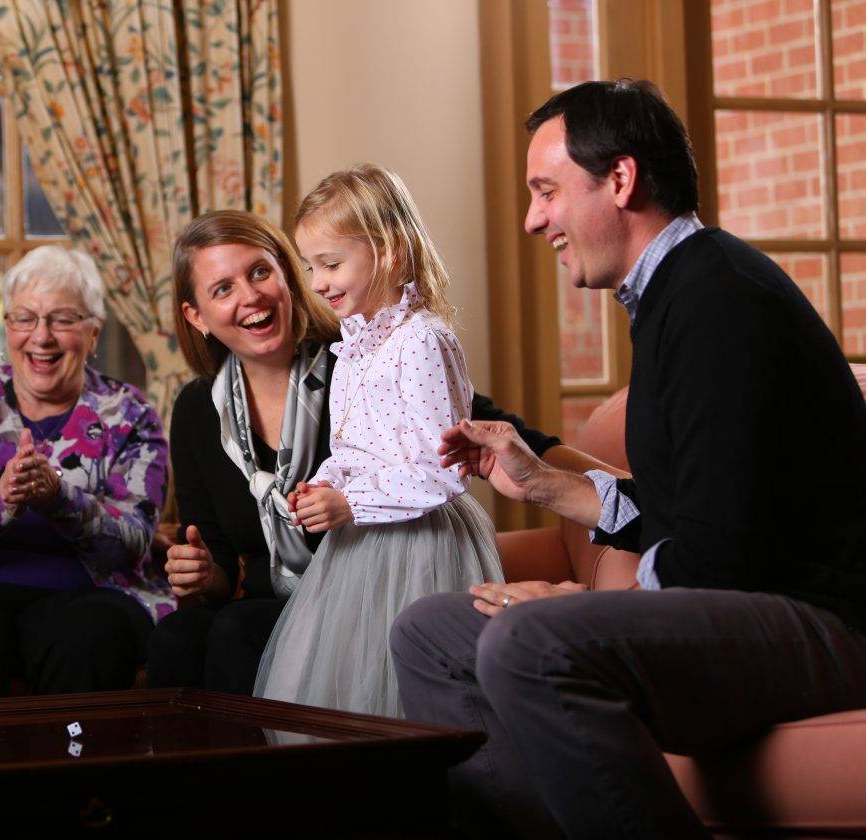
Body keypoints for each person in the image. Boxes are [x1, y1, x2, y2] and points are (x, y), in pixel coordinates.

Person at [391, 79, 866, 838]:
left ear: (620, 179)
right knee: (431, 634)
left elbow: (722, 555)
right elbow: (699, 505)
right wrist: (548, 485)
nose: (532, 218)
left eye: (546, 191)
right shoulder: (677, 294)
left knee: (527, 642)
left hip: (827, 624)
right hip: (751, 600)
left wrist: (583, 608)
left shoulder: (720, 299)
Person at [150, 209, 608, 697]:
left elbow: (495, 434)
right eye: (223, 289)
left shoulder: (358, 354)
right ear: (195, 316)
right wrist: (200, 574)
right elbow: (220, 571)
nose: (251, 296)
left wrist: (620, 488)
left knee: (237, 630)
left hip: (362, 592)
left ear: (286, 275)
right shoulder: (199, 409)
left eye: (260, 271)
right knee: (177, 637)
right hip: (265, 598)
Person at [244, 165, 501, 718]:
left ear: (389, 250)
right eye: (311, 267)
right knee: (344, 687)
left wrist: (350, 502)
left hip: (419, 547)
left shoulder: (423, 340)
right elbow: (356, 450)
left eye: (331, 264)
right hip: (358, 543)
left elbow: (443, 470)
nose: (317, 283)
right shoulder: (354, 346)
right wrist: (326, 484)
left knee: (406, 691)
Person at [0, 245, 172, 699]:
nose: (40, 337)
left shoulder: (130, 413)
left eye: (62, 319)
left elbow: (134, 543)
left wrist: (58, 499)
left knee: (88, 635)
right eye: (24, 318)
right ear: (7, 329)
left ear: (94, 333)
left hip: (92, 594)